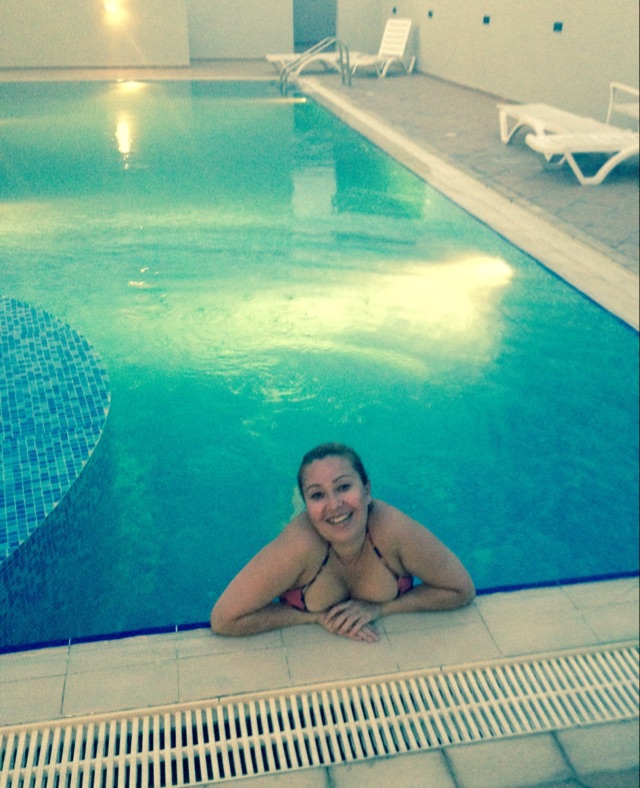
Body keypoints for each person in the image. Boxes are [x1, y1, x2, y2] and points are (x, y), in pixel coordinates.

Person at [210, 442, 475, 642]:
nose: (334, 504)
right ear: (307, 506)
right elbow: (225, 619)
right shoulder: (299, 546)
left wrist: (381, 609)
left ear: (367, 490)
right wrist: (314, 617)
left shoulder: (392, 530)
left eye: (344, 487)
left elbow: (461, 590)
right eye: (317, 495)